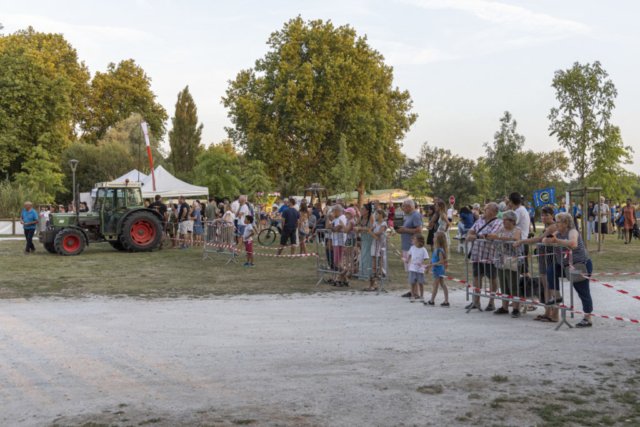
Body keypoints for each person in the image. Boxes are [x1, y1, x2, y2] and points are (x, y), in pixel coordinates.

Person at [543, 213, 594, 328]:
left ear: (566, 223)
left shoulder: (572, 231)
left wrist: (556, 241)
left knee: (582, 291)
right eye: (555, 222)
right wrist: (548, 240)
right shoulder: (558, 233)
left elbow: (573, 244)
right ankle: (557, 296)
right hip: (566, 266)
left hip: (580, 265)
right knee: (551, 270)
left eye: (558, 222)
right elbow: (545, 241)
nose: (556, 224)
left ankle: (588, 318)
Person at [513, 206, 558, 322]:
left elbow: (539, 239)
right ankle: (547, 311)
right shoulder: (547, 226)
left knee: (550, 287)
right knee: (545, 287)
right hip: (544, 259)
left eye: (546, 215)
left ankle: (553, 313)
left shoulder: (553, 226)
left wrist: (522, 241)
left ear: (552, 216)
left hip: (550, 259)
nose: (543, 217)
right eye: (542, 215)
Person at [465, 203, 503, 311]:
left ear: (493, 211)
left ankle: (491, 302)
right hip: (477, 253)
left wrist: (477, 236)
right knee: (477, 277)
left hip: (490, 255)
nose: (484, 210)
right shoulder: (479, 221)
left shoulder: (498, 222)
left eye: (486, 209)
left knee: (492, 278)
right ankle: (476, 301)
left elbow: (490, 236)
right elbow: (468, 236)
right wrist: (479, 236)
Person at [487, 210, 524, 318]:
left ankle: (516, 308)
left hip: (512, 261)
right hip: (501, 260)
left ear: (512, 221)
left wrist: (498, 237)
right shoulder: (502, 229)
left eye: (505, 220)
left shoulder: (517, 230)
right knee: (504, 285)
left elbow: (514, 240)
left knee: (513, 285)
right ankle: (504, 307)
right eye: (503, 220)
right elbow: (494, 235)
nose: (503, 222)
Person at [397, 200, 424, 298]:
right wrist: (401, 231)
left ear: (409, 206)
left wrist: (405, 230)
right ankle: (413, 290)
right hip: (407, 246)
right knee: (410, 270)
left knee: (414, 270)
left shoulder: (416, 215)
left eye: (403, 206)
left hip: (413, 247)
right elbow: (408, 230)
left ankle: (416, 293)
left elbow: (419, 230)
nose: (402, 208)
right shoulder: (409, 216)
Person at [425, 231, 449, 307]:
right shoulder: (435, 249)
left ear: (439, 239)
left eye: (435, 237)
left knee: (436, 285)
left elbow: (441, 261)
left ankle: (432, 301)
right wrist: (429, 266)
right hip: (436, 269)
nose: (433, 239)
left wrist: (431, 265)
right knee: (442, 284)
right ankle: (446, 301)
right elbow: (432, 259)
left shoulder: (440, 250)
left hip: (438, 269)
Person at [404, 234, 429, 303]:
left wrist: (422, 264)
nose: (412, 240)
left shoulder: (423, 249)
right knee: (412, 283)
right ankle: (413, 296)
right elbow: (410, 254)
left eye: (414, 239)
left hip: (420, 270)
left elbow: (426, 258)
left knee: (421, 283)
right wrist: (407, 260)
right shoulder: (412, 248)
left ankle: (421, 296)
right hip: (412, 269)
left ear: (419, 241)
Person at [357, 203, 375, 290]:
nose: (361, 210)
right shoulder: (360, 218)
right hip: (364, 241)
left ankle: (372, 284)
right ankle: (366, 277)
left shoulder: (371, 217)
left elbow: (371, 228)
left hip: (371, 241)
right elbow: (357, 225)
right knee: (363, 260)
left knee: (371, 261)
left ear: (367, 211)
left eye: (362, 209)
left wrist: (360, 229)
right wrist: (357, 227)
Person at [370, 208, 388, 286]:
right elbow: (370, 230)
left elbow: (381, 231)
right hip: (375, 241)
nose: (375, 215)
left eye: (376, 214)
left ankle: (380, 272)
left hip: (381, 242)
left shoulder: (383, 223)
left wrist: (375, 234)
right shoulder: (375, 224)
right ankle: (374, 272)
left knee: (380, 257)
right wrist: (374, 235)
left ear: (380, 215)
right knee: (373, 256)